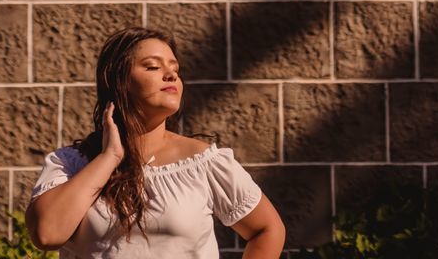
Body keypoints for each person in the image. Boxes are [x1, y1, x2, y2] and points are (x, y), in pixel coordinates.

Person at [26, 28, 285, 259]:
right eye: (152, 67)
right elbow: (47, 235)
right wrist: (109, 157)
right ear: (119, 82)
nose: (170, 75)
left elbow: (267, 229)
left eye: (175, 69)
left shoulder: (205, 162)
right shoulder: (70, 163)